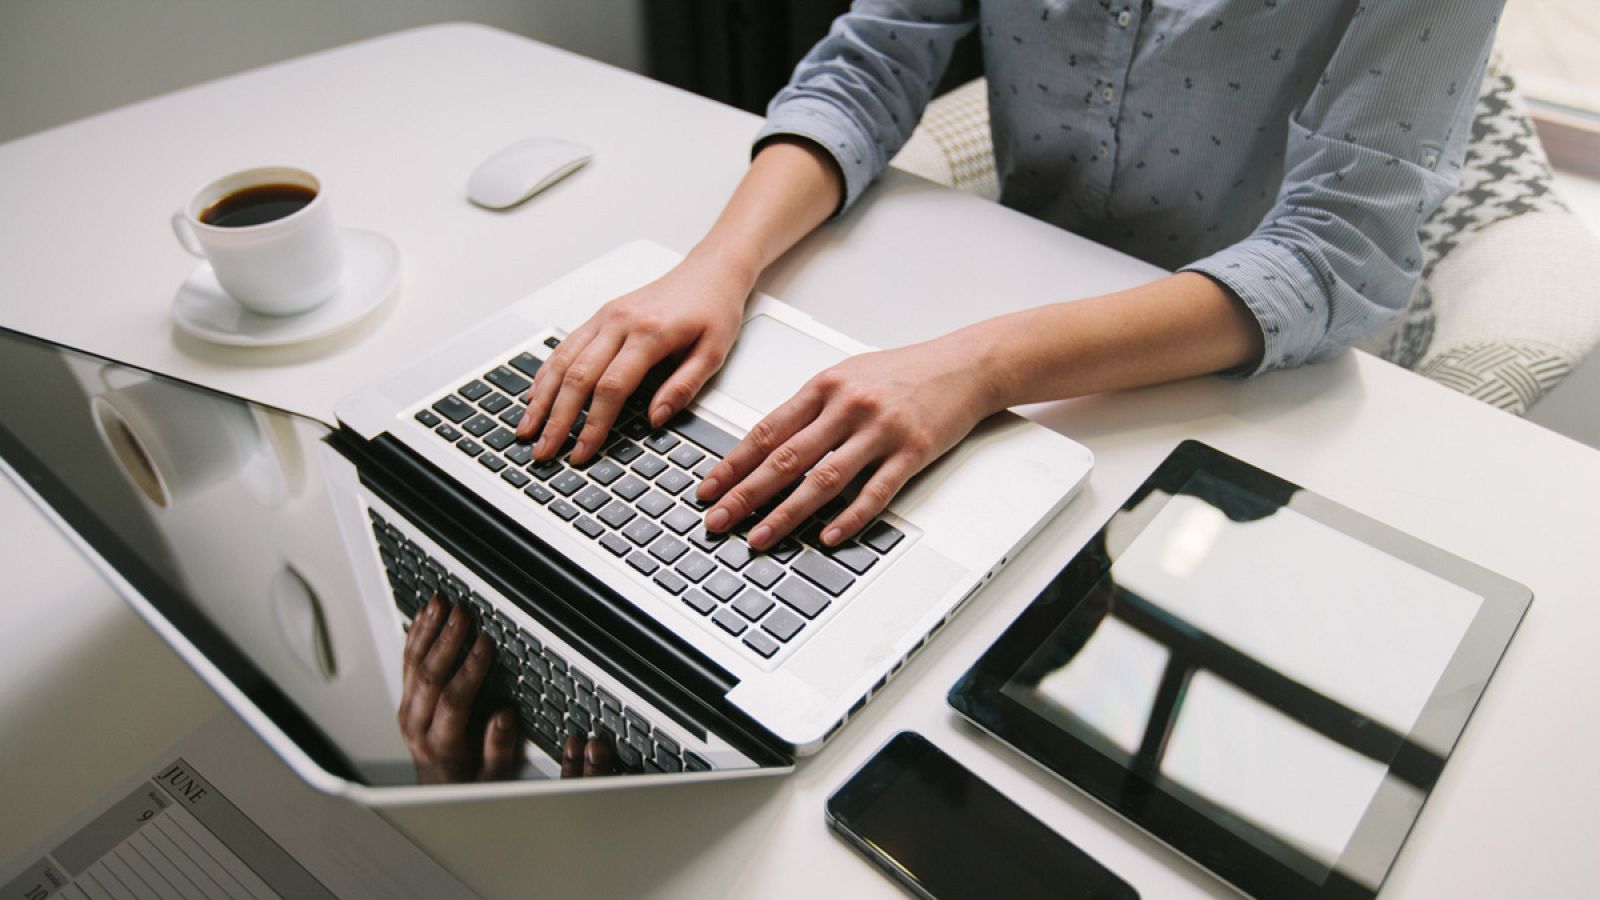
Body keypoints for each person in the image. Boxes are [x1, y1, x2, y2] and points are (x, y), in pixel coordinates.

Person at [515, 1, 1500, 552]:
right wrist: (715, 266)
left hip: (1252, 389)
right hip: (1005, 322)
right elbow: (871, 63)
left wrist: (978, 366)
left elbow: (1336, 250)